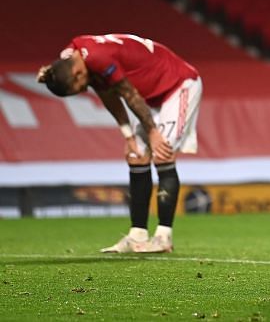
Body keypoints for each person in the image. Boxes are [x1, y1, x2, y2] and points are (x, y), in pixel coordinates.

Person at [36, 34, 202, 253]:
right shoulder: (73, 59)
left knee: (162, 151)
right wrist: (128, 136)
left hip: (179, 85)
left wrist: (152, 131)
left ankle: (163, 236)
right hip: (151, 97)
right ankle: (138, 235)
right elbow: (108, 96)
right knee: (136, 155)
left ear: (77, 74)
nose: (84, 90)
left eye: (80, 88)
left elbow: (129, 94)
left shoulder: (97, 59)